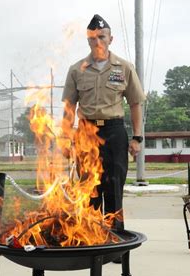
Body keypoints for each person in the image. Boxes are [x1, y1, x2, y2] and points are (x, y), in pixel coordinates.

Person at [61, 14, 146, 233]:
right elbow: (69, 107)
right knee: (90, 187)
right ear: (88, 40)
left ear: (110, 39)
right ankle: (92, 237)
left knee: (114, 186)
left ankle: (115, 239)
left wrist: (137, 138)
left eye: (102, 37)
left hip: (114, 131)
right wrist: (65, 138)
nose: (97, 41)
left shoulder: (124, 68)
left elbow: (136, 103)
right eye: (92, 38)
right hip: (86, 132)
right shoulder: (76, 69)